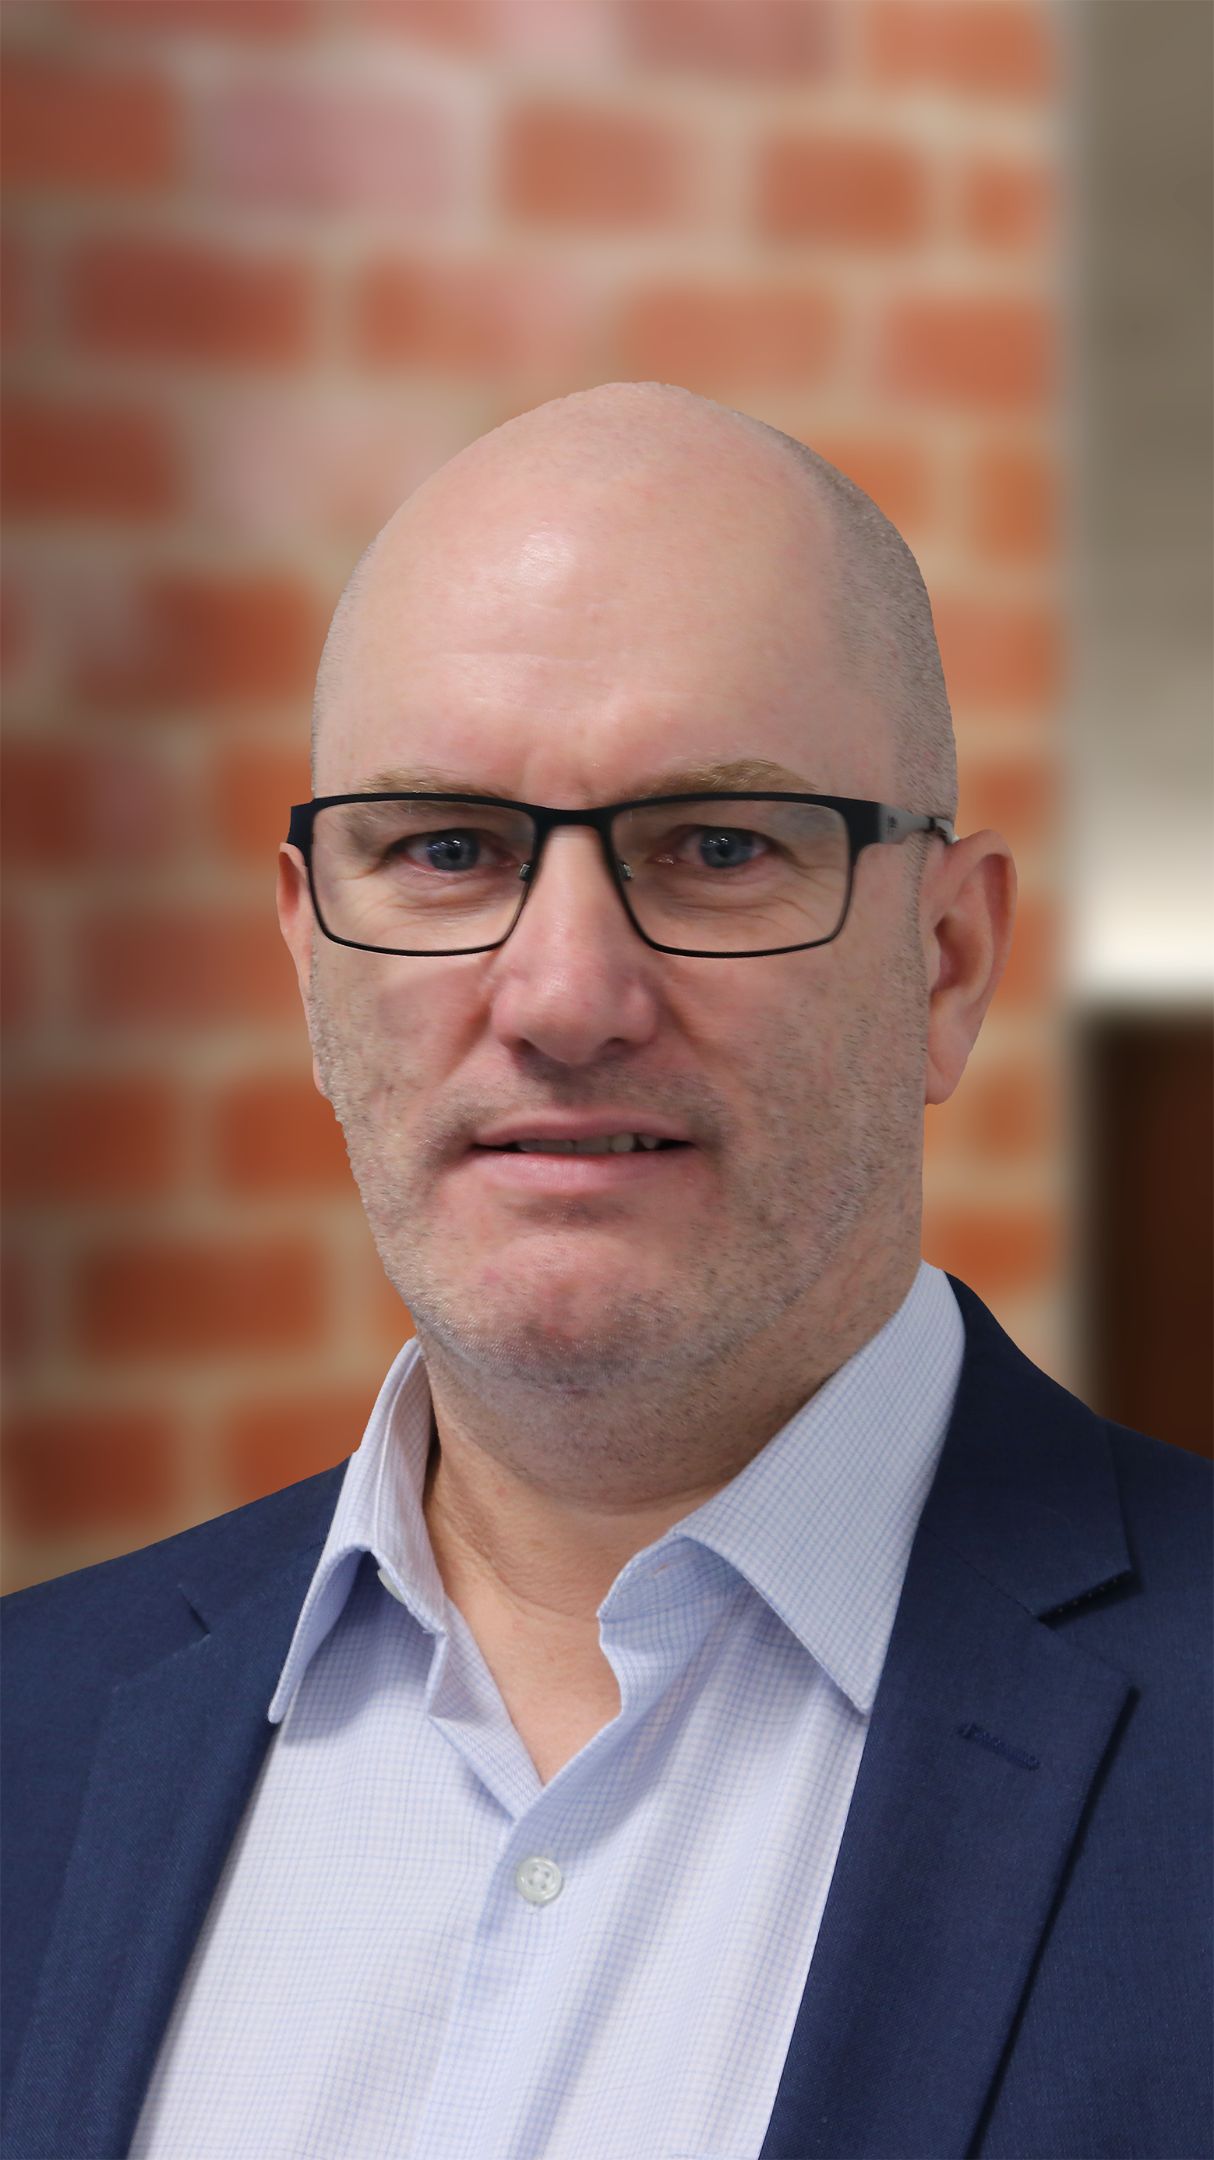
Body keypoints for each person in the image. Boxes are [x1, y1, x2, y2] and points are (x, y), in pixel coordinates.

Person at [2, 383, 1209, 2160]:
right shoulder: (28, 1735)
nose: (564, 996)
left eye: (717, 848)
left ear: (945, 963)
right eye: (444, 851)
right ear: (309, 968)